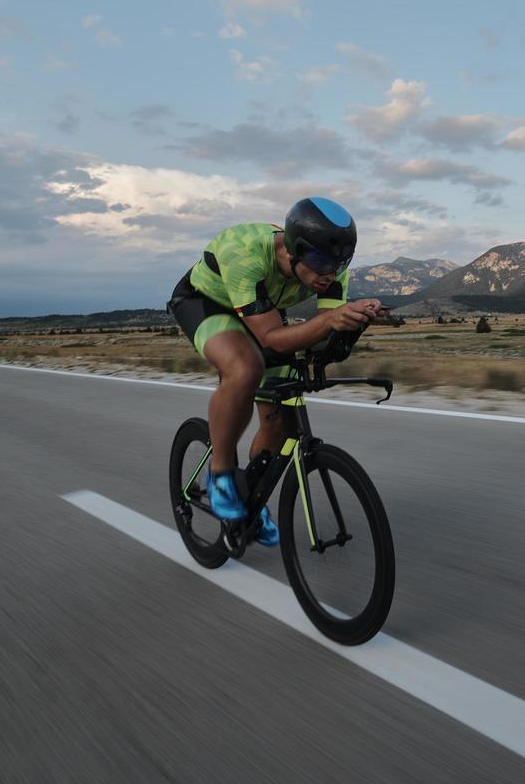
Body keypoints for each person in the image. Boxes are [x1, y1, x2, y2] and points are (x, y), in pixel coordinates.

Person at [166, 197, 387, 545]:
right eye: (318, 262)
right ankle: (221, 474)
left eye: (339, 264)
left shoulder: (330, 270)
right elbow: (272, 338)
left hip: (262, 309)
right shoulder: (247, 253)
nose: (327, 274)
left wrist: (352, 323)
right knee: (245, 368)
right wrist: (329, 318)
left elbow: (322, 336)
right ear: (293, 249)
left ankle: (252, 498)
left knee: (279, 420)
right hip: (207, 302)